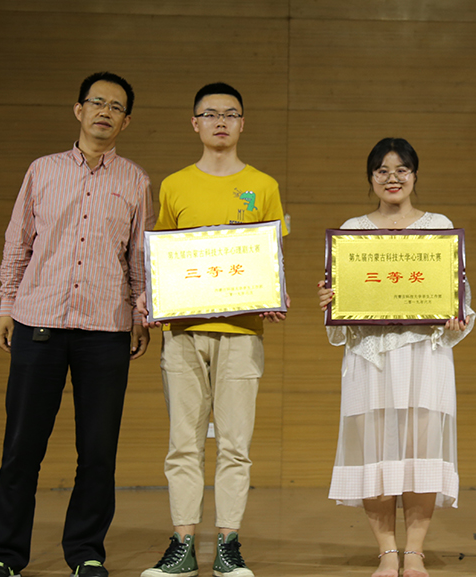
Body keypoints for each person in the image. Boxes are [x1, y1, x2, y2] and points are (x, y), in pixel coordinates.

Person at [0, 71, 152, 577]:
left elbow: (139, 257)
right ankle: (4, 556)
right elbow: (18, 242)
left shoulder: (136, 180)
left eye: (115, 107)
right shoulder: (42, 171)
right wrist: (6, 305)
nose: (105, 112)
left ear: (125, 121)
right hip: (39, 323)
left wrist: (141, 314)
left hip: (106, 329)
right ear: (79, 110)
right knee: (21, 448)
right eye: (97, 102)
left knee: (97, 451)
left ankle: (86, 552)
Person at [140, 82, 288, 577]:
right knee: (183, 443)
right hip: (182, 332)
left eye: (230, 113)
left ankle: (228, 545)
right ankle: (182, 545)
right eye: (210, 113)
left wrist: (275, 292)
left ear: (243, 123)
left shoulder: (263, 185)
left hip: (243, 332)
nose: (220, 121)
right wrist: (154, 299)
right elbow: (162, 255)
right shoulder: (174, 185)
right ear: (195, 123)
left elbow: (269, 254)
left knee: (234, 444)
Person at [317, 138, 474, 577]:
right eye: (382, 170)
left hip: (424, 356)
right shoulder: (352, 231)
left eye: (402, 169)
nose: (392, 178)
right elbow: (343, 309)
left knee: (421, 454)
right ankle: (387, 552)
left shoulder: (438, 226)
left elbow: (458, 293)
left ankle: (415, 553)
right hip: (371, 358)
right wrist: (332, 302)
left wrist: (456, 314)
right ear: (370, 178)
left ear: (415, 175)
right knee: (376, 454)